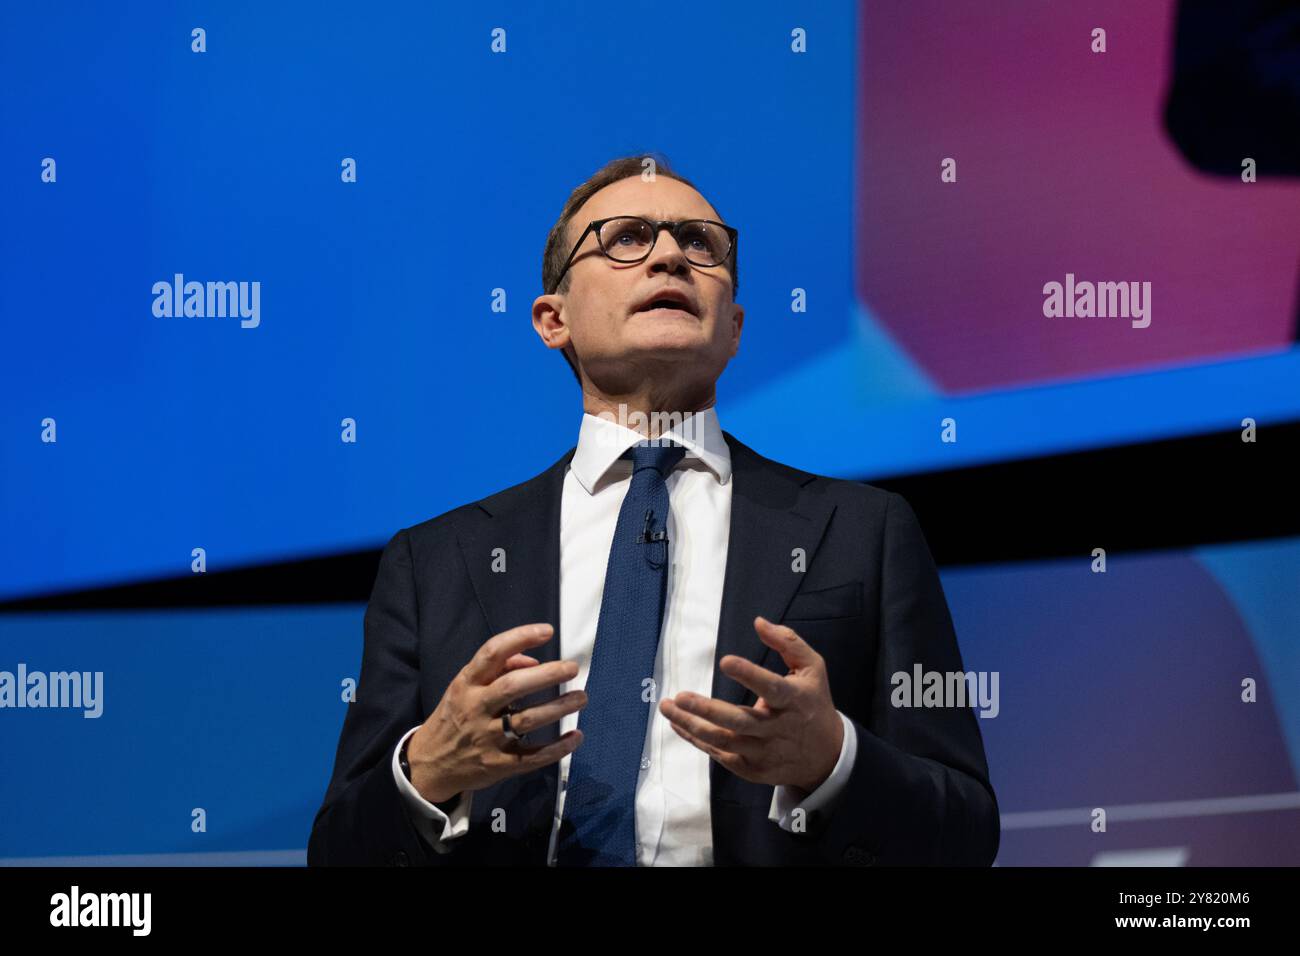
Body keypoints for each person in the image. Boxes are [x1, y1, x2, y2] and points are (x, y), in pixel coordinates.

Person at [307, 154, 999, 866]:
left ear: (733, 327)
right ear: (553, 318)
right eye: (626, 237)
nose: (670, 255)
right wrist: (430, 770)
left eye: (702, 243)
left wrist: (833, 760)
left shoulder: (864, 531)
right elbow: (337, 853)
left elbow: (966, 832)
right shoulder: (433, 563)